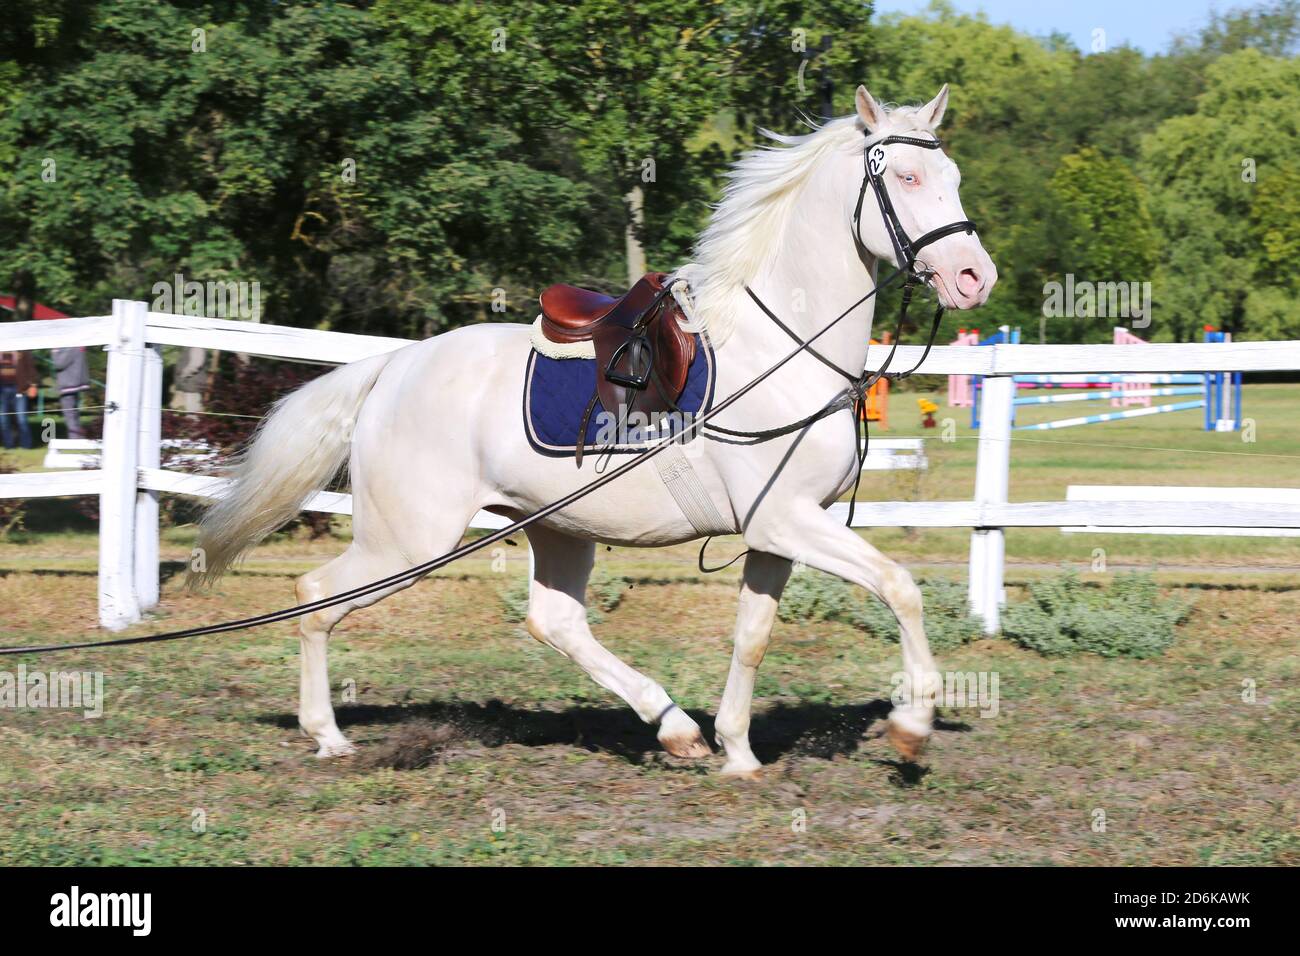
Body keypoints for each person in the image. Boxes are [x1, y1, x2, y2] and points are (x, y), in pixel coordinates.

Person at [0, 349, 38, 449]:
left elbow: (30, 367)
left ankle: (26, 445)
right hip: (2, 389)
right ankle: (9, 445)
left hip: (19, 388)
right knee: (3, 420)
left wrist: (33, 385)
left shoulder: (22, 348)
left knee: (22, 419)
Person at [51, 345, 91, 439]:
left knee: (70, 415)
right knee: (74, 414)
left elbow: (58, 363)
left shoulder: (70, 347)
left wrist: (54, 351)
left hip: (68, 385)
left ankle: (74, 439)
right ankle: (78, 437)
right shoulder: (77, 346)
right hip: (75, 384)